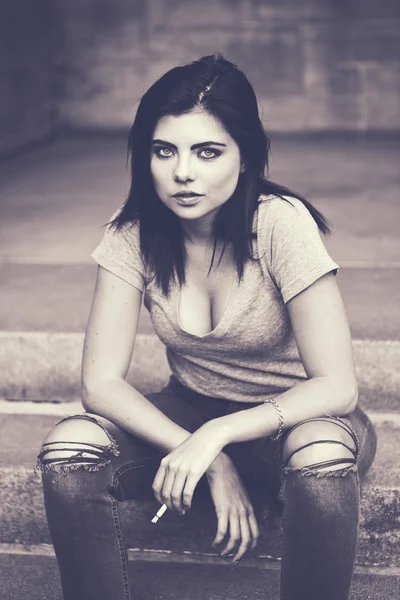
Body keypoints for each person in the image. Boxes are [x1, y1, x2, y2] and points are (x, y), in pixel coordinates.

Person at [36, 54, 377, 600]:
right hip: (191, 408)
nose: (183, 173)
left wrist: (218, 435)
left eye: (207, 152)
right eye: (163, 151)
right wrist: (210, 456)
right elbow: (100, 385)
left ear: (246, 158)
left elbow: (337, 386)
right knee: (71, 447)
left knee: (320, 458)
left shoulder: (279, 224)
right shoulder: (132, 235)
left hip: (296, 418)